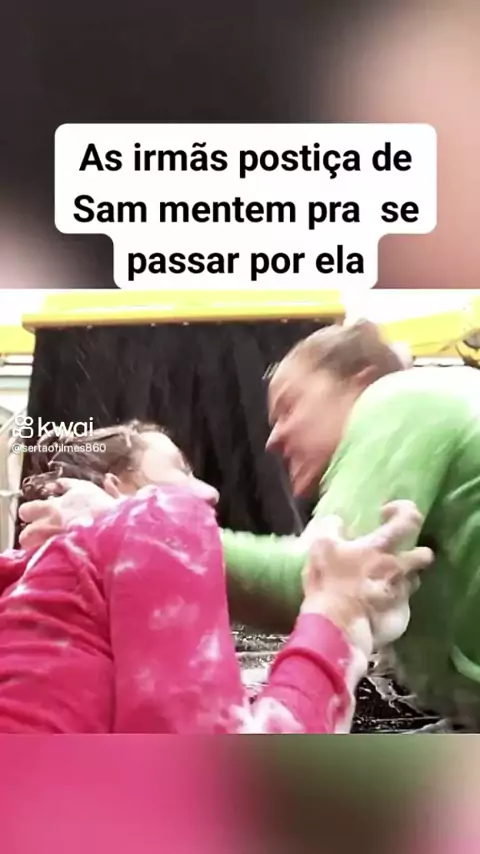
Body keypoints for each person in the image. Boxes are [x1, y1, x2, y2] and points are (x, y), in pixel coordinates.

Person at [1, 421, 431, 734]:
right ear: (115, 487)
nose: (210, 492)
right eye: (181, 469)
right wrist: (338, 612)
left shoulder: (28, 586)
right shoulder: (156, 516)